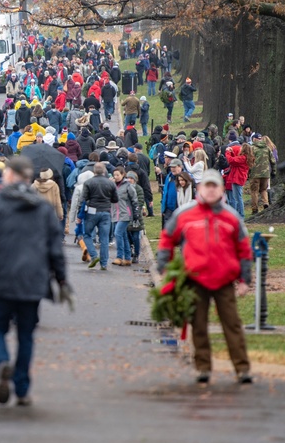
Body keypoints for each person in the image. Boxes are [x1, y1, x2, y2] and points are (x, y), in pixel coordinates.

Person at [0, 157, 70, 406]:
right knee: (26, 335)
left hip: (0, 279)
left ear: (9, 175)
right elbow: (55, 248)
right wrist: (61, 279)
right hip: (33, 280)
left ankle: (1, 362)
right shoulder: (42, 209)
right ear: (28, 177)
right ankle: (21, 387)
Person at [157, 170, 254, 384]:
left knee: (232, 324)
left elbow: (244, 250)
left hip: (224, 280)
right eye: (207, 186)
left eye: (215, 186)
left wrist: (245, 279)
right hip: (195, 279)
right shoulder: (185, 214)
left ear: (221, 189)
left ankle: (242, 369)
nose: (210, 190)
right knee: (198, 325)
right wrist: (164, 268)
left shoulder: (232, 217)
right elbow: (167, 240)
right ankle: (203, 368)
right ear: (199, 189)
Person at [80, 162, 119, 270]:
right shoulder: (110, 183)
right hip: (106, 211)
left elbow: (83, 198)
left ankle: (93, 255)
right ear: (104, 171)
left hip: (92, 211)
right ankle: (104, 263)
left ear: (94, 171)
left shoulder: (88, 182)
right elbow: (115, 199)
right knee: (104, 238)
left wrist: (80, 213)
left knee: (87, 234)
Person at [111, 168, 139, 266]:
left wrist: (136, 212)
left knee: (117, 233)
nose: (116, 177)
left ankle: (119, 256)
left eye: (118, 175)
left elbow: (134, 200)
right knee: (123, 235)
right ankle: (127, 258)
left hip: (125, 214)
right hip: (115, 213)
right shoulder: (113, 185)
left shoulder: (128, 186)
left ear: (123, 175)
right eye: (114, 175)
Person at [249, 133, 273, 214]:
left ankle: (255, 209)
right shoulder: (267, 148)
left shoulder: (252, 148)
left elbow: (249, 161)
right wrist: (273, 171)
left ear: (255, 139)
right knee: (264, 190)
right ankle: (266, 203)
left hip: (255, 173)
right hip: (265, 173)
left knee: (254, 191)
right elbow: (273, 161)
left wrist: (248, 172)